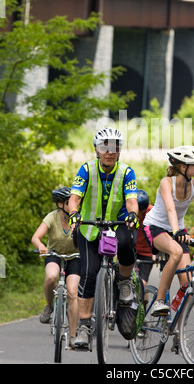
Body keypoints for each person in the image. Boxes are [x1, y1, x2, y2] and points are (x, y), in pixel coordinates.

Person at [68, 127, 139, 349]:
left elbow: (131, 201)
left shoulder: (127, 171)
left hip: (116, 224)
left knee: (127, 242)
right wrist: (73, 214)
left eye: (115, 147)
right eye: (104, 147)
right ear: (97, 150)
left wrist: (133, 215)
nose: (110, 152)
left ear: (119, 151)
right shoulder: (87, 169)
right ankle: (84, 327)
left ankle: (125, 281)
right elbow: (74, 198)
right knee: (88, 273)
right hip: (90, 227)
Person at [143, 145, 194, 316]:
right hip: (155, 227)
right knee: (176, 251)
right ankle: (159, 301)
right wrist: (177, 232)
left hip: (177, 230)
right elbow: (170, 209)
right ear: (183, 167)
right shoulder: (166, 183)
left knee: (187, 282)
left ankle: (179, 333)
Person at [31, 187, 80, 349]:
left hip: (75, 257)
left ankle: (73, 336)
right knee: (52, 276)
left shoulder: (78, 218)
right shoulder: (51, 217)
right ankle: (49, 306)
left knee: (73, 292)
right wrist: (41, 246)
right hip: (54, 254)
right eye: (69, 202)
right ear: (60, 204)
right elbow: (36, 237)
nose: (74, 205)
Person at [136, 189, 154, 286]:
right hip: (132, 249)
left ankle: (143, 301)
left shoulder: (152, 212)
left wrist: (155, 252)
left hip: (146, 252)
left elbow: (157, 233)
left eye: (142, 211)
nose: (139, 214)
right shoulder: (130, 212)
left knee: (142, 283)